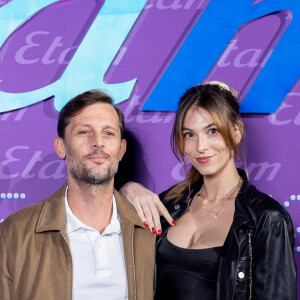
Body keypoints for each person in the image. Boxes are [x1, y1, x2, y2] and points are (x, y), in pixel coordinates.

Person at [120, 81, 297, 300]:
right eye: (189, 134)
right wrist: (127, 190)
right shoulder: (166, 205)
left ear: (236, 132)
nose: (201, 146)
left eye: (212, 131)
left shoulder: (267, 219)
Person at [0, 90, 156, 300]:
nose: (98, 142)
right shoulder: (15, 233)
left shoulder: (149, 230)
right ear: (61, 146)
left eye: (108, 133)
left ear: (121, 149)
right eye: (84, 132)